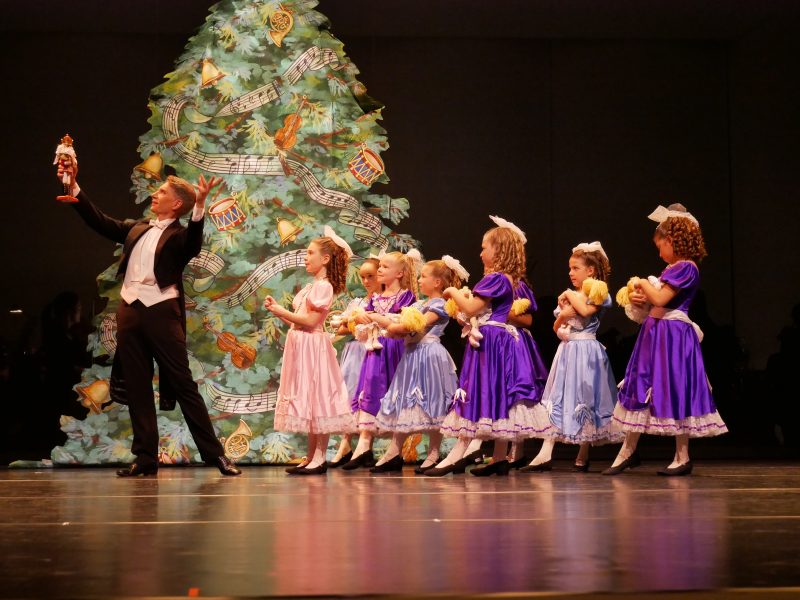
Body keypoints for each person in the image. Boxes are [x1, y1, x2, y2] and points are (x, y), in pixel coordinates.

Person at [57, 158, 241, 477]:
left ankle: (216, 455)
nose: (155, 194)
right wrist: (73, 187)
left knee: (183, 384)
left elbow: (193, 244)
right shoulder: (138, 228)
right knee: (138, 386)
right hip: (130, 312)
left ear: (177, 203)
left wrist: (199, 208)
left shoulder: (181, 236)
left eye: (162, 191)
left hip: (161, 314)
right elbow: (100, 221)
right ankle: (145, 458)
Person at [605, 204, 727, 476]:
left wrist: (641, 283)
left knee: (674, 388)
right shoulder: (673, 269)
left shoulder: (686, 267)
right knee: (641, 385)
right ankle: (628, 449)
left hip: (672, 336)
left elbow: (661, 299)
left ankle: (682, 455)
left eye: (660, 245)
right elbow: (656, 302)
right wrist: (640, 297)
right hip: (656, 333)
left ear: (673, 241)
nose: (659, 252)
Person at [427, 216, 551, 476]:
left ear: (500, 251)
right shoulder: (504, 279)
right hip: (495, 337)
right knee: (494, 393)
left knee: (481, 390)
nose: (480, 252)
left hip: (493, 340)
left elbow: (473, 307)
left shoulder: (496, 278)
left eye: (485, 247)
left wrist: (451, 292)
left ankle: (462, 455)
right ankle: (498, 457)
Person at [521, 242, 622, 473]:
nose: (570, 273)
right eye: (570, 268)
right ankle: (545, 453)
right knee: (559, 397)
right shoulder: (570, 298)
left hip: (587, 351)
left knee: (585, 397)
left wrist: (567, 296)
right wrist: (562, 316)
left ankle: (583, 451)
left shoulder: (598, 293)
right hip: (567, 351)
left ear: (591, 271)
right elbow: (558, 327)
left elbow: (586, 312)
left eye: (575, 268)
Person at [264, 228, 355, 475]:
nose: (306, 257)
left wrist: (280, 311)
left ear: (325, 259)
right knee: (308, 398)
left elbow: (312, 321)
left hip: (313, 346)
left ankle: (320, 457)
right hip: (301, 344)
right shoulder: (311, 286)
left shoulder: (323, 287)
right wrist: (279, 311)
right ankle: (311, 455)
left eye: (310, 253)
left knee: (318, 397)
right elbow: (299, 321)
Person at [371, 256, 465, 474]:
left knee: (433, 403)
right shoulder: (419, 304)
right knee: (405, 400)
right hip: (412, 355)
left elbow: (414, 326)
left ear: (438, 283)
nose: (419, 281)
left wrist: (381, 319)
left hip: (429, 355)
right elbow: (402, 324)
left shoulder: (440, 304)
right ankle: (394, 451)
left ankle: (433, 452)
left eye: (424, 277)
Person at [342, 251, 418, 470]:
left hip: (394, 350)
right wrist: (359, 317)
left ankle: (394, 450)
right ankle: (364, 444)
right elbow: (361, 321)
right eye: (380, 266)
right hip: (374, 352)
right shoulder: (375, 299)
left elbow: (402, 325)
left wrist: (375, 318)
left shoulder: (406, 296)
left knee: (393, 393)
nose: (380, 270)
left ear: (400, 273)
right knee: (369, 390)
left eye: (385, 267)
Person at [328, 257, 382, 467]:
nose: (366, 281)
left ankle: (365, 443)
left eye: (371, 276)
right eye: (363, 277)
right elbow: (341, 328)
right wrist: (354, 320)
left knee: (368, 394)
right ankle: (346, 442)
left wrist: (360, 320)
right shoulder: (358, 303)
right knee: (350, 393)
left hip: (373, 348)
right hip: (355, 351)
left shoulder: (383, 301)